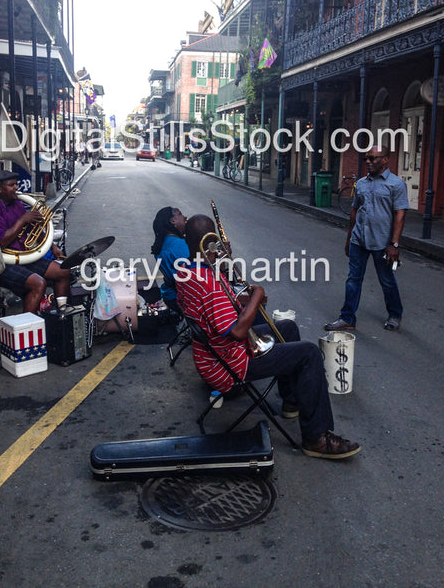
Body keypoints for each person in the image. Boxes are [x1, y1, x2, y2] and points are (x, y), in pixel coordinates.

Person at [176, 214, 360, 460]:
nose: (220, 247)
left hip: (213, 353)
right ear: (209, 245)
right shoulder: (207, 283)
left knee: (287, 328)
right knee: (309, 353)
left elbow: (222, 303)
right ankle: (316, 438)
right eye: (216, 244)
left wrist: (234, 281)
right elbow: (239, 330)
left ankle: (291, 401)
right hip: (229, 363)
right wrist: (256, 295)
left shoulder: (186, 272)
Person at [324, 145, 409, 332]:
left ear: (385, 159)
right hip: (359, 240)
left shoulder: (396, 184)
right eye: (366, 159)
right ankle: (347, 318)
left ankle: (395, 314)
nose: (368, 162)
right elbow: (354, 211)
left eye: (373, 158)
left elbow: (400, 215)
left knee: (386, 280)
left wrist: (394, 244)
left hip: (382, 243)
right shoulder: (361, 183)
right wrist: (349, 239)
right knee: (353, 279)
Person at [0, 170, 71, 314]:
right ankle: (27, 329)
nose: (16, 188)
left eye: (16, 184)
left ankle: (60, 315)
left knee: (63, 272)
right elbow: (1, 242)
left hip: (23, 257)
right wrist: (22, 220)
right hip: (2, 263)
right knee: (38, 283)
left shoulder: (16, 203)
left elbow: (33, 227)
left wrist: (53, 246)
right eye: (11, 185)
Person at [151, 206, 188, 313]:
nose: (185, 217)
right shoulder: (179, 245)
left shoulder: (165, 242)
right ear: (173, 220)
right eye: (180, 214)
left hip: (169, 295)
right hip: (182, 298)